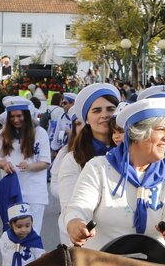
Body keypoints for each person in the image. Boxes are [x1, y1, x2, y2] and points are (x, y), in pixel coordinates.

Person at [65, 97, 165, 250]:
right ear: (137, 133)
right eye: (161, 130)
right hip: (102, 261)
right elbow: (78, 208)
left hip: (153, 262)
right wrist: (76, 224)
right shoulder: (99, 168)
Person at [50, 83, 119, 244]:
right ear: (86, 119)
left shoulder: (131, 152)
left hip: (125, 239)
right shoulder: (73, 159)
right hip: (90, 240)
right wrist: (77, 227)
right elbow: (69, 207)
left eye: (110, 109)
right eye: (97, 110)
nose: (105, 115)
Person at [0, 97, 50, 236]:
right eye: (12, 116)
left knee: (32, 234)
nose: (16, 120)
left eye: (19, 116)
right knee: (12, 234)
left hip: (34, 192)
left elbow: (45, 162)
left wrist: (30, 166)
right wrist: (5, 165)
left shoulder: (40, 133)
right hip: (11, 190)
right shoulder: (2, 134)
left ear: (26, 115)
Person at [0, 202, 45, 266]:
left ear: (31, 223)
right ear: (11, 225)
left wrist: (44, 257)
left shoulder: (34, 240)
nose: (23, 230)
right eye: (19, 226)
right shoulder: (6, 236)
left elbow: (41, 258)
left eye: (27, 226)